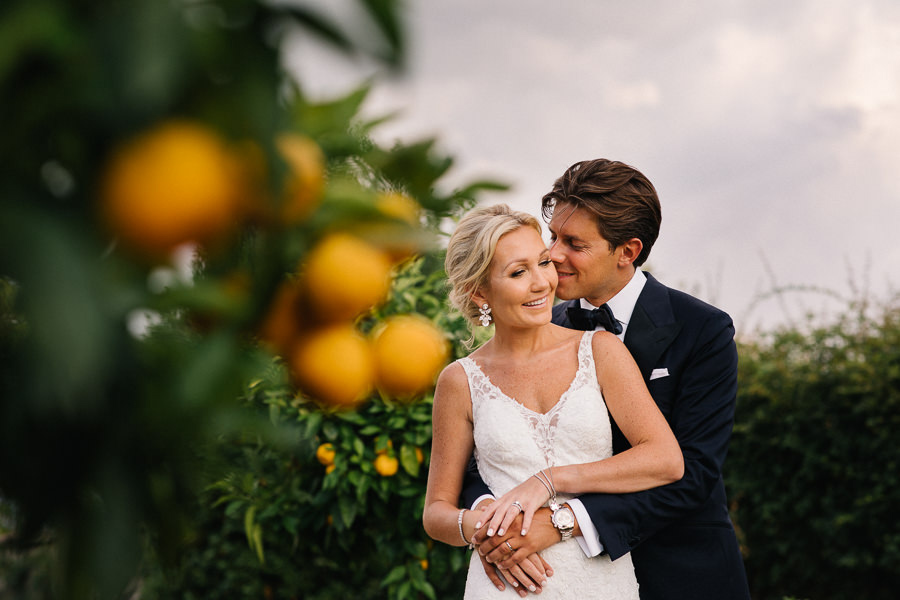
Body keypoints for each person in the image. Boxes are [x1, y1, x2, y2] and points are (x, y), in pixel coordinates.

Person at [463, 159, 752, 600]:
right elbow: (482, 447)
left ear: (627, 252)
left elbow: (691, 475)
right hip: (551, 579)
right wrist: (493, 524)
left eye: (574, 243)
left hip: (681, 573)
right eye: (553, 236)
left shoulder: (703, 330)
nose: (554, 254)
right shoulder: (540, 322)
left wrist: (565, 521)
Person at [423, 204, 685, 599]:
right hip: (505, 585)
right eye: (517, 272)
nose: (542, 282)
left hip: (600, 582)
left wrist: (549, 480)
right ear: (480, 292)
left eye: (543, 262)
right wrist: (489, 533)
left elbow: (665, 460)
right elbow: (437, 511)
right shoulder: (459, 380)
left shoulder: (600, 350)